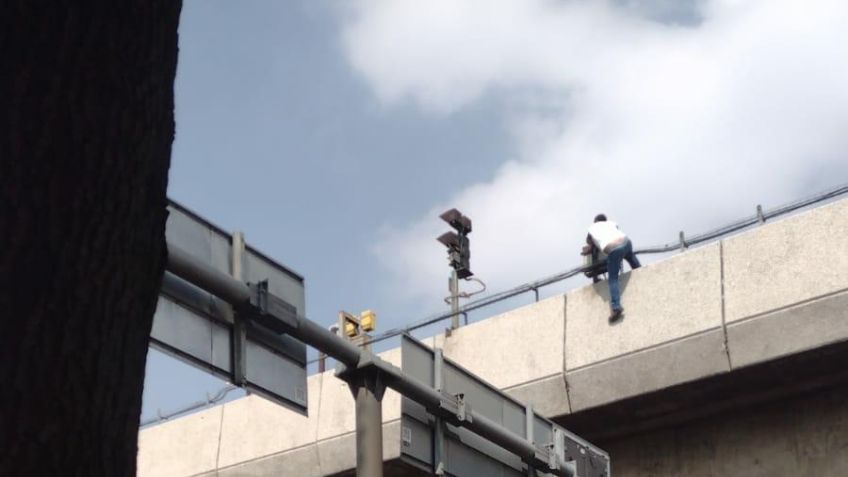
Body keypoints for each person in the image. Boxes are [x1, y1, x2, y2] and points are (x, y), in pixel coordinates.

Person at [585, 214, 641, 322]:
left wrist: (595, 278)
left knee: (613, 279)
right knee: (630, 256)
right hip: (626, 242)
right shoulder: (611, 223)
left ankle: (616, 308)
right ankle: (640, 271)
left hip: (613, 249)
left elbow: (590, 243)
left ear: (595, 221)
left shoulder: (592, 228)